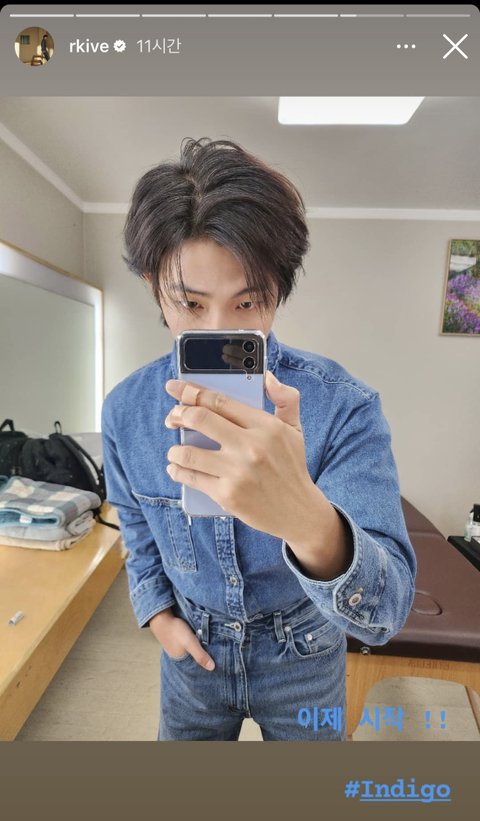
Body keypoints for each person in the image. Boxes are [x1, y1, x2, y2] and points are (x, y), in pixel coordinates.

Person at [101, 137, 417, 741]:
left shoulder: (343, 407)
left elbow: (385, 615)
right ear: (154, 287)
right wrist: (159, 615)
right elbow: (136, 529)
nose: (220, 332)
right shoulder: (125, 411)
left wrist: (308, 520)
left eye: (248, 301)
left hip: (306, 648)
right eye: (191, 304)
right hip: (193, 653)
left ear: (279, 288)